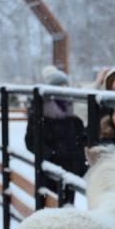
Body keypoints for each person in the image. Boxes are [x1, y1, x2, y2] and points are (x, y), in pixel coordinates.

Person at [24, 66, 87, 205]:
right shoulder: (40, 112)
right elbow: (30, 141)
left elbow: (81, 140)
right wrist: (51, 155)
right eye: (60, 86)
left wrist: (81, 163)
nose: (63, 90)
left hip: (71, 172)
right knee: (51, 208)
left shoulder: (72, 113)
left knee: (68, 207)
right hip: (50, 172)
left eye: (65, 86)